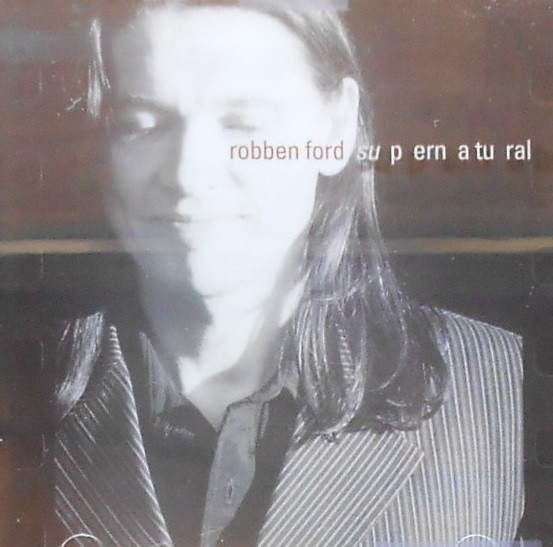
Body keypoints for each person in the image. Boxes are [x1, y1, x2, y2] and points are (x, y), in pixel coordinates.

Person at [50, 1, 524, 546]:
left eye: (244, 124)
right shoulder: (24, 391)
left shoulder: (502, 392)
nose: (188, 173)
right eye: (143, 125)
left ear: (336, 128)